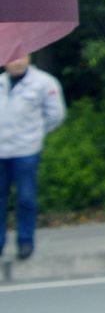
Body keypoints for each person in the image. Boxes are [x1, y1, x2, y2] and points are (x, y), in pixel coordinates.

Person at [0, 54, 65, 261]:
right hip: (1, 150)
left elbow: (55, 115)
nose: (16, 62)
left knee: (26, 197)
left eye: (20, 58)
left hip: (26, 150)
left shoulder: (43, 82)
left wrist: (35, 134)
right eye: (12, 58)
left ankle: (25, 241)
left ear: (28, 58)